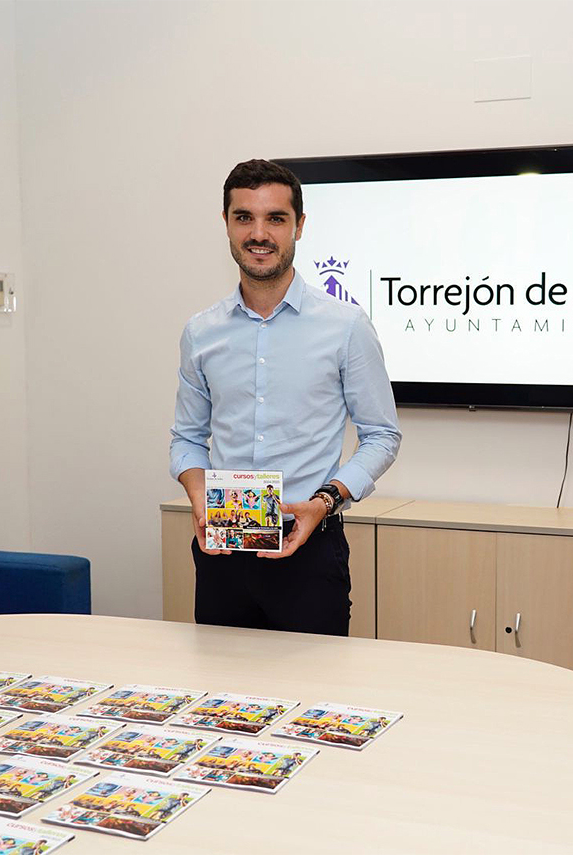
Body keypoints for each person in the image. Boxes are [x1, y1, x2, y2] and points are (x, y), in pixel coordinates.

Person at [169, 159, 401, 636]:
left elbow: (382, 436)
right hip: (222, 550)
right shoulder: (201, 332)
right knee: (221, 701)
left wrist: (324, 501)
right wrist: (198, 495)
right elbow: (187, 439)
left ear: (299, 225)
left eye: (275, 218)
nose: (259, 233)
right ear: (227, 224)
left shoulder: (346, 327)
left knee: (313, 701)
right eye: (244, 217)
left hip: (310, 551)